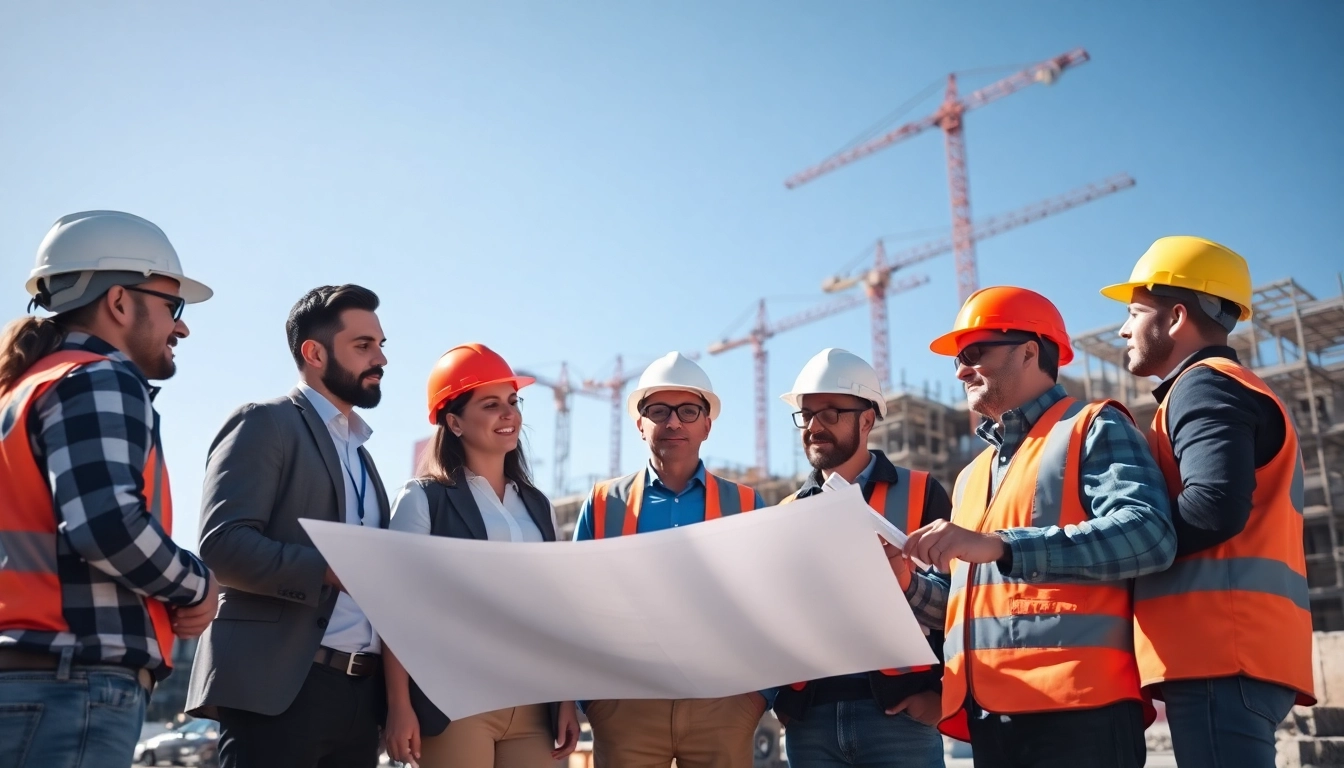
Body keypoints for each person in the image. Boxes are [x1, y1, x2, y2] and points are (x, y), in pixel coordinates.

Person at [900, 286, 1177, 768]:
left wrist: (1001, 545)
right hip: (992, 715)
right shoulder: (971, 476)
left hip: (1079, 712)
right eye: (958, 359)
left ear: (1030, 351)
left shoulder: (1092, 426)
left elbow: (1149, 534)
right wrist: (904, 581)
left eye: (975, 352)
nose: (961, 369)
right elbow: (965, 603)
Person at [0, 211, 218, 768]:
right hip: (73, 688)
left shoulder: (23, 392)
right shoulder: (99, 377)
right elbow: (106, 525)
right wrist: (195, 585)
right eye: (173, 307)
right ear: (119, 302)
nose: (182, 328)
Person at [1102, 236, 1315, 767]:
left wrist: (1109, 551)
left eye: (1133, 313)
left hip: (1222, 651)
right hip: (1236, 649)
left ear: (1175, 317)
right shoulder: (1225, 387)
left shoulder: (1205, 387)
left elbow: (1212, 506)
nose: (1123, 329)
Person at [186, 284, 391, 768]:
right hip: (278, 687)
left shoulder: (364, 457)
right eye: (363, 346)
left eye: (382, 345)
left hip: (360, 698)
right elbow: (222, 545)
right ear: (314, 352)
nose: (380, 358)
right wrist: (329, 569)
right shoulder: (264, 422)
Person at [383, 343, 580, 767]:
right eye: (491, 405)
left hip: (533, 703)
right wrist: (399, 707)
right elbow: (396, 609)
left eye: (512, 401)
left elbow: (554, 608)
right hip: (455, 704)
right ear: (454, 421)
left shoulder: (538, 505)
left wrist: (565, 698)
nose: (509, 414)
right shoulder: (423, 500)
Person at [572, 351, 770, 768]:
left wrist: (756, 700)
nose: (674, 422)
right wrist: (595, 703)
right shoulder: (604, 503)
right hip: (627, 708)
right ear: (640, 423)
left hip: (723, 706)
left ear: (707, 425)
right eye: (659, 410)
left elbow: (771, 606)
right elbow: (577, 604)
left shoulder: (748, 504)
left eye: (688, 411)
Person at [772, 349, 949, 768]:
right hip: (809, 722)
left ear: (867, 420)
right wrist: (781, 699)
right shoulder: (784, 512)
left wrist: (940, 696)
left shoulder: (923, 493)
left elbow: (956, 606)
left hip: (900, 719)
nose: (814, 425)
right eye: (806, 414)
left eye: (830, 413)